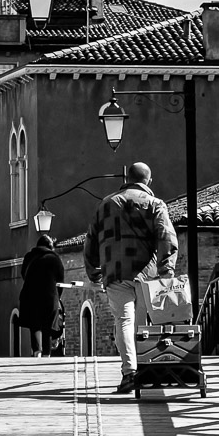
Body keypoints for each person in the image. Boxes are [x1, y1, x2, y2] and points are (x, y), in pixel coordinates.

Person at [84, 162, 178, 393]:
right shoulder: (155, 204)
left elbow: (91, 241)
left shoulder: (105, 204)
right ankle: (146, 367)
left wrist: (94, 271)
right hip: (147, 272)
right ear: (148, 180)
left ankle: (130, 372)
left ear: (127, 177)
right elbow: (166, 236)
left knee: (123, 321)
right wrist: (167, 269)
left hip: (115, 272)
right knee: (142, 323)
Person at [18, 233, 65, 357]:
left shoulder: (29, 257)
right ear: (50, 246)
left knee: (35, 324)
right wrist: (57, 297)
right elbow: (60, 280)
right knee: (47, 327)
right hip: (49, 296)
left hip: (30, 295)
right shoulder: (55, 258)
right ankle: (46, 354)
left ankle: (37, 351)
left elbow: (24, 274)